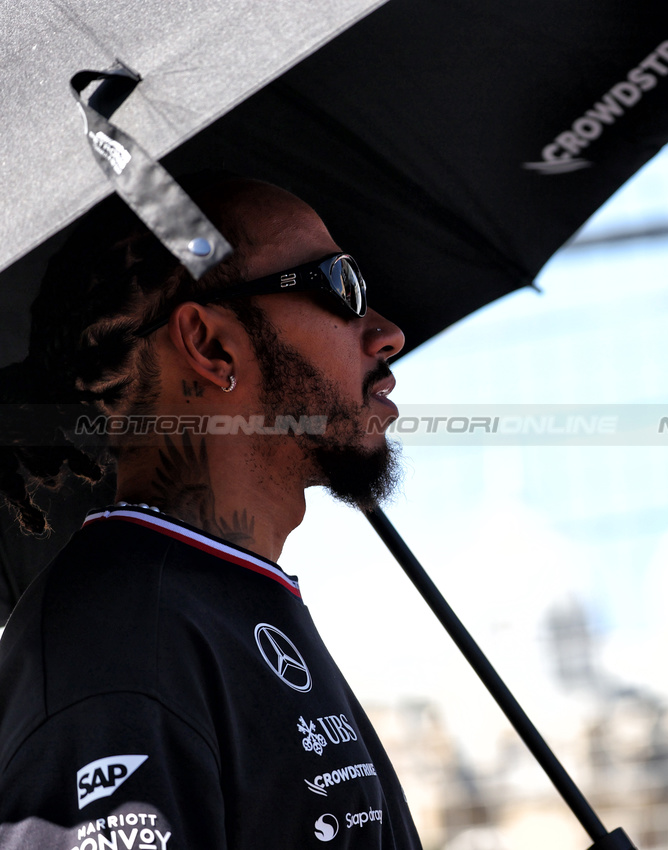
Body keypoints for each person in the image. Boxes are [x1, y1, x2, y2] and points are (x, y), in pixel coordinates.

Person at [0, 178, 422, 849]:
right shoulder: (125, 637)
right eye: (340, 285)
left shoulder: (222, 598)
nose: (387, 333)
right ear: (211, 345)